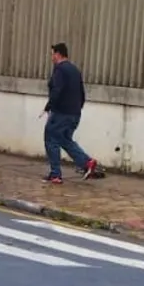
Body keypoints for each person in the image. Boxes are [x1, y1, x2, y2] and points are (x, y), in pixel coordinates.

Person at [40, 43, 98, 184]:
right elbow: (82, 93)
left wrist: (48, 107)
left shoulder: (60, 70)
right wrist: (77, 108)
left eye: (53, 54)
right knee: (65, 140)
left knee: (51, 139)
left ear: (58, 54)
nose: (51, 57)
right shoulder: (75, 70)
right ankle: (87, 162)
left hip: (61, 112)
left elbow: (57, 90)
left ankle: (55, 174)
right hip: (74, 113)